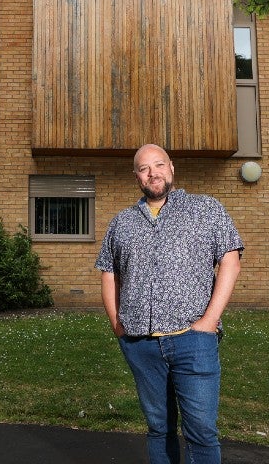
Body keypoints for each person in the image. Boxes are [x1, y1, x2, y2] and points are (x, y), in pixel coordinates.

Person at [94, 144, 244, 464]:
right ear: (136, 176)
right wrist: (117, 325)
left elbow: (230, 261)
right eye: (145, 168)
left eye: (159, 165)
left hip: (193, 339)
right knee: (158, 428)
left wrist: (208, 322)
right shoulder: (121, 223)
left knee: (201, 430)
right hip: (141, 344)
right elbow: (109, 272)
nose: (153, 173)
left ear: (171, 168)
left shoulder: (205, 209)